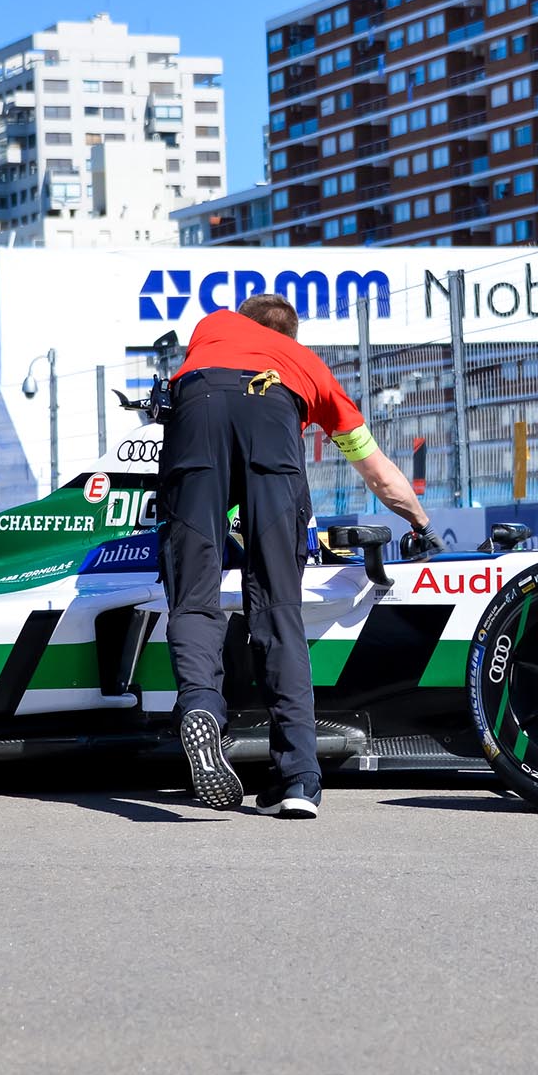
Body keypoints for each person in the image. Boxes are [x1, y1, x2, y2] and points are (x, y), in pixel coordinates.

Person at [161, 292, 433, 819]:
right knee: (277, 607)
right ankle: (299, 780)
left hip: (199, 409)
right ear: (291, 337)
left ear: (245, 323)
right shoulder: (308, 365)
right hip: (275, 422)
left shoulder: (214, 328)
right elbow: (376, 470)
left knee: (194, 596)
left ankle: (200, 708)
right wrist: (420, 523)